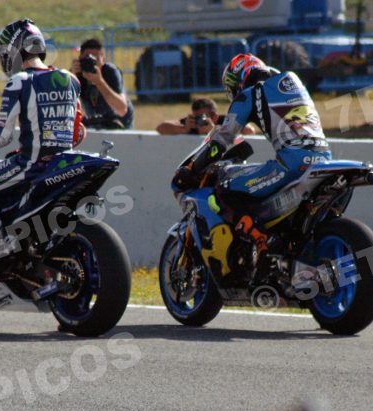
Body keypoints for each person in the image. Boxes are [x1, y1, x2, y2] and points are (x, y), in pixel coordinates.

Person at [172, 53, 331, 273]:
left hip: (292, 164)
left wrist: (192, 168)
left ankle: (262, 243)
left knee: (224, 187)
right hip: (323, 160)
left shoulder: (249, 94)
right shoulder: (293, 83)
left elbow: (221, 141)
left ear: (239, 79)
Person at [0, 18, 85, 236]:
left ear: (13, 50)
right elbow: (78, 133)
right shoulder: (71, 79)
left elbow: (1, 138)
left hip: (30, 165)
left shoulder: (19, 81)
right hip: (63, 164)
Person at [71, 38, 133, 130]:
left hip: (119, 124)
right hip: (96, 123)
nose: (91, 62)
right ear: (80, 59)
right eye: (87, 58)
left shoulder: (110, 72)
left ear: (103, 59)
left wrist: (99, 82)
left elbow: (122, 109)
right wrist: (71, 76)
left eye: (95, 58)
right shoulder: (77, 74)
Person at [156, 97, 256, 135]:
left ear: (215, 117)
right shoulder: (191, 123)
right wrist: (184, 129)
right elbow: (160, 128)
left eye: (203, 117)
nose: (200, 120)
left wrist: (215, 131)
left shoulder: (224, 121)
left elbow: (250, 131)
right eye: (197, 117)